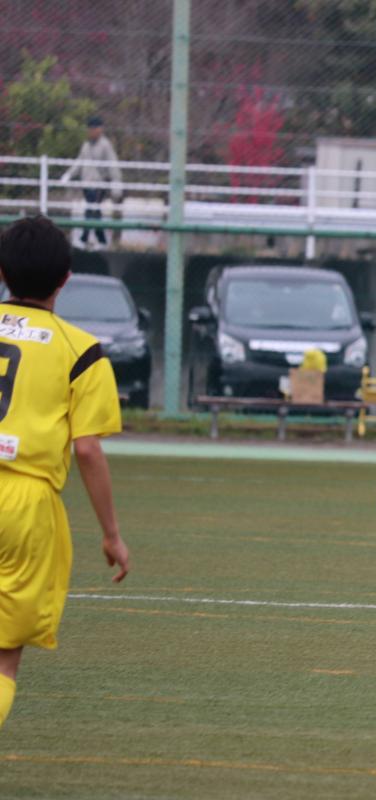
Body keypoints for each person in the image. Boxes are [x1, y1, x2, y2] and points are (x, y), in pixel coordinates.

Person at [0, 216, 131, 729]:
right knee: (4, 654)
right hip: (25, 504)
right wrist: (112, 534)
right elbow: (88, 451)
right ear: (66, 278)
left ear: (2, 272)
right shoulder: (81, 350)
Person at [60, 117, 122, 250]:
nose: (91, 131)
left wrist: (116, 182)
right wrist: (69, 174)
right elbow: (79, 162)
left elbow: (113, 164)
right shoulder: (86, 145)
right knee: (94, 211)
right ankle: (101, 240)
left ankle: (85, 239)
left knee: (91, 210)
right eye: (90, 129)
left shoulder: (105, 145)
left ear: (100, 129)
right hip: (86, 184)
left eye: (94, 128)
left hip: (99, 184)